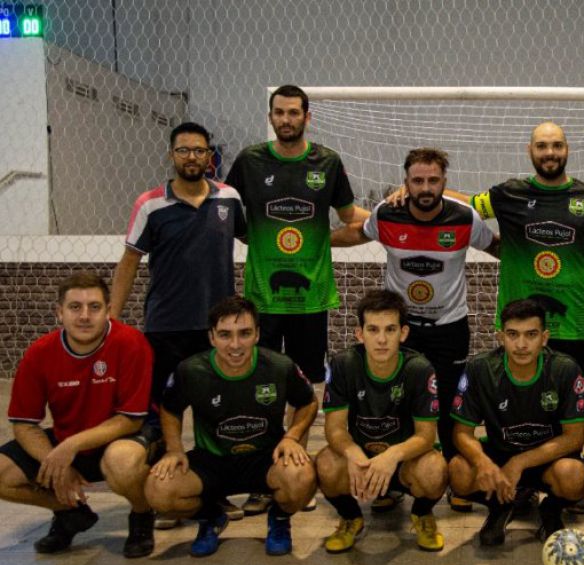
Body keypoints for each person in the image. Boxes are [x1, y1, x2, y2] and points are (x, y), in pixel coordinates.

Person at [226, 85, 368, 514]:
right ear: (270, 116)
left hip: (311, 300)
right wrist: (263, 242)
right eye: (279, 112)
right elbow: (229, 215)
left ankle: (295, 467)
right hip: (263, 299)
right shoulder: (250, 161)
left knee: (306, 387)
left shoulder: (326, 163)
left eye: (294, 113)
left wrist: (386, 214)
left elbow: (349, 219)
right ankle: (260, 476)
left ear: (308, 117)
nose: (286, 119)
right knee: (262, 389)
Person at [331, 148, 497, 512]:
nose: (425, 187)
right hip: (400, 331)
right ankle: (389, 482)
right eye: (418, 180)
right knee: (397, 402)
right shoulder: (387, 213)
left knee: (452, 405)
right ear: (405, 183)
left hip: (449, 327)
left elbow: (499, 247)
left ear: (444, 183)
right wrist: (314, 241)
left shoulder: (465, 219)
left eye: (433, 180)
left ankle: (456, 482)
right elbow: (356, 233)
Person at [110, 122, 247, 523]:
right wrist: (114, 319)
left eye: (199, 150)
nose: (192, 157)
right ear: (172, 155)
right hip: (164, 328)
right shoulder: (150, 204)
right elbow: (130, 261)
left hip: (216, 332)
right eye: (184, 150)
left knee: (214, 415)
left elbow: (254, 240)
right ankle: (159, 494)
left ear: (210, 156)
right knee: (160, 415)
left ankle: (213, 492)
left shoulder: (229, 198)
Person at [144, 296, 318, 557]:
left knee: (303, 477)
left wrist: (292, 437)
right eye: (225, 335)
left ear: (257, 334)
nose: (235, 345)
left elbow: (308, 402)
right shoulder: (190, 370)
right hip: (211, 460)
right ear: (212, 337)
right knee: (158, 491)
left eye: (244, 333)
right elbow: (170, 408)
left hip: (264, 458)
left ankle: (280, 520)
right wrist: (174, 449)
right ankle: (211, 518)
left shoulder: (279, 366)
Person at [0, 272, 155, 558]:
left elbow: (131, 418)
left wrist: (71, 446)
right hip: (68, 441)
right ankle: (68, 512)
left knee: (121, 463)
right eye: (75, 307)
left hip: (123, 436)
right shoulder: (40, 353)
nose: (85, 316)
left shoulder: (130, 343)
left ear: (109, 311)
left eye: (94, 307)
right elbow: (24, 424)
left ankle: (142, 515)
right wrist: (55, 462)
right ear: (59, 312)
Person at [469, 122, 584, 404]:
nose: (550, 152)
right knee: (517, 404)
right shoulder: (509, 194)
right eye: (542, 146)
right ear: (530, 150)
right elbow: (466, 206)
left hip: (575, 323)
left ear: (567, 150)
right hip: (520, 326)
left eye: (557, 145)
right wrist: (408, 195)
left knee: (574, 407)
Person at [316, 290, 447, 553]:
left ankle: (422, 515)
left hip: (402, 461)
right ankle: (350, 518)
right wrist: (353, 453)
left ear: (404, 333)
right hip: (361, 461)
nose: (382, 339)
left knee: (435, 469)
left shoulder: (419, 369)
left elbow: (426, 436)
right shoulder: (343, 364)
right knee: (326, 463)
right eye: (373, 330)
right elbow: (334, 428)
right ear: (359, 334)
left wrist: (392, 456)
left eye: (390, 329)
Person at [449, 298, 584, 546]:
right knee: (459, 471)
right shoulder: (481, 368)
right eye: (513, 335)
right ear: (501, 337)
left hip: (547, 460)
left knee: (574, 476)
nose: (521, 344)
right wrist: (483, 463)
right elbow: (461, 432)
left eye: (531, 335)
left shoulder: (564, 369)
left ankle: (551, 510)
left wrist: (520, 462)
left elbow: (574, 438)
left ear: (544, 338)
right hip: (500, 455)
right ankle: (500, 507)